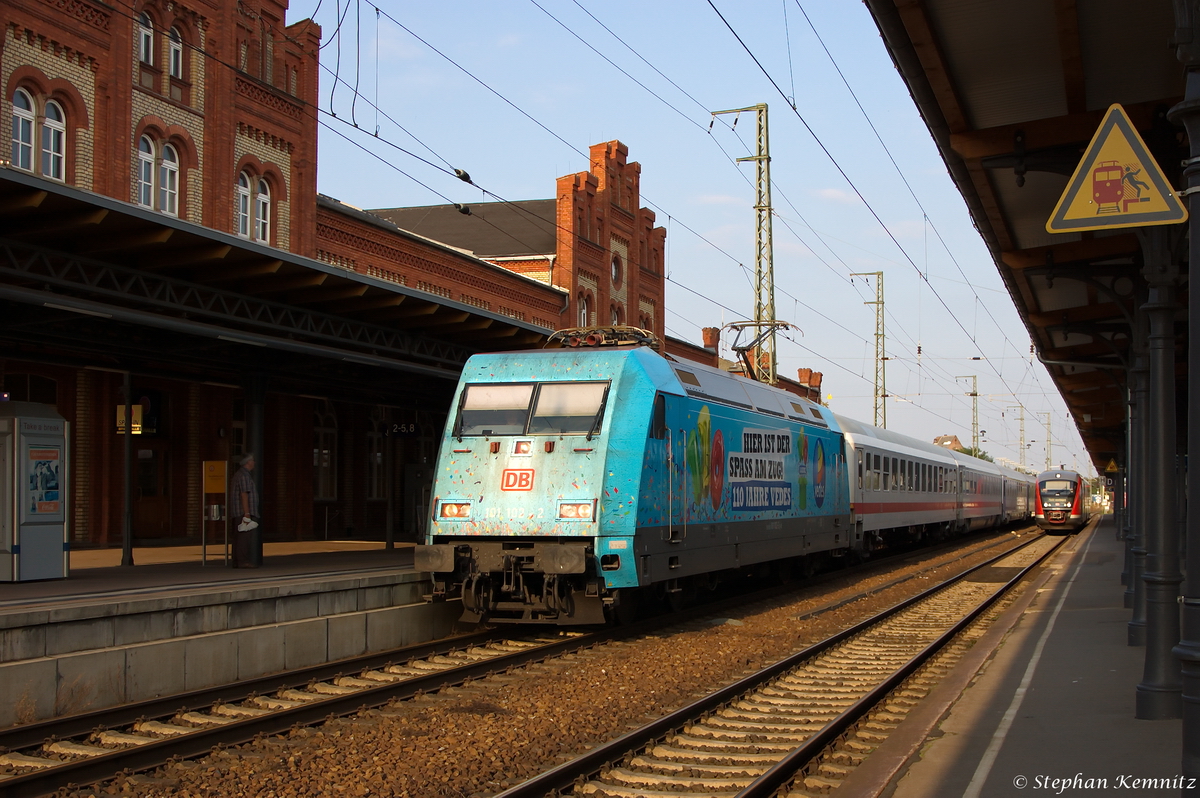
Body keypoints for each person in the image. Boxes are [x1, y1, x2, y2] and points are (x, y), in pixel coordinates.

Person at [231, 452, 261, 567]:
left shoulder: (240, 474)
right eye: (253, 460)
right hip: (243, 512)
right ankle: (242, 561)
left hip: (239, 512)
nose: (254, 462)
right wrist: (247, 513)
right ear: (248, 462)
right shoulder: (244, 476)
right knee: (244, 537)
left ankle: (237, 561)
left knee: (239, 537)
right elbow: (244, 494)